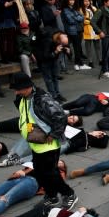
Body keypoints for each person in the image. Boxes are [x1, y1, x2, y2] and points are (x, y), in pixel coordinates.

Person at [10, 72, 76, 209]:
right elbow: (27, 116)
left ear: (27, 87)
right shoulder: (23, 98)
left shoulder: (42, 99)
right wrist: (29, 131)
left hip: (48, 144)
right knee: (40, 172)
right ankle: (51, 196)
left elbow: (60, 117)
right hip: (36, 142)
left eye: (18, 89)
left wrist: (53, 134)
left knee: (50, 173)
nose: (16, 92)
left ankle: (69, 194)